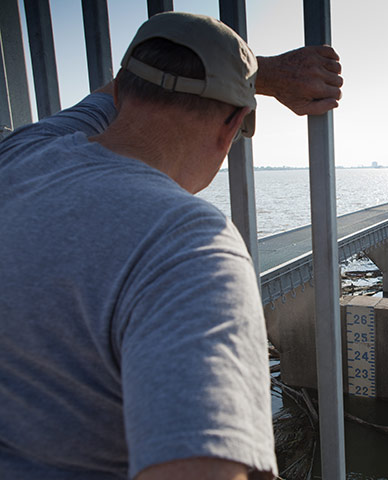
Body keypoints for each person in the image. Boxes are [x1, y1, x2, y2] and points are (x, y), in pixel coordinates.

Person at [0, 12, 342, 480]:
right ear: (234, 125)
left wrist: (264, 74)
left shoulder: (25, 151)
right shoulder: (192, 245)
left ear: (122, 93)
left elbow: (107, 93)